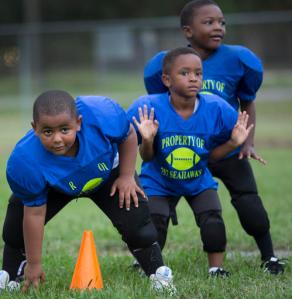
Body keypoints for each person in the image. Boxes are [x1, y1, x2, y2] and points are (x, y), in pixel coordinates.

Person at [142, 0, 285, 275]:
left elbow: (247, 102)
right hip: (181, 147)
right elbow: (161, 103)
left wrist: (247, 141)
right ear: (188, 31)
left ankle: (269, 256)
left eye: (222, 22)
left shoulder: (238, 59)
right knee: (157, 207)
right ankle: (149, 262)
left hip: (225, 145)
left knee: (248, 200)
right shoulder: (168, 63)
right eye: (209, 22)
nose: (218, 27)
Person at [0, 90, 176, 294]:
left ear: (79, 122)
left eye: (64, 129)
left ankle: (157, 272)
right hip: (57, 184)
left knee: (136, 219)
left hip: (107, 171)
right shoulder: (26, 160)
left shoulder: (101, 115)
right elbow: (34, 214)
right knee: (17, 220)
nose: (57, 139)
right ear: (35, 129)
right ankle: (11, 272)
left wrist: (126, 176)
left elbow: (127, 133)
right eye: (47, 131)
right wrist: (35, 263)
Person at [128, 47, 254, 277]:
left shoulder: (216, 107)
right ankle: (150, 266)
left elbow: (211, 158)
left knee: (212, 216)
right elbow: (147, 157)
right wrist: (147, 139)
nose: (193, 78)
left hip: (197, 178)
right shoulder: (148, 107)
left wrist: (235, 143)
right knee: (154, 220)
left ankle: (216, 268)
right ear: (166, 79)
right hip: (159, 179)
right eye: (184, 73)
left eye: (198, 73)